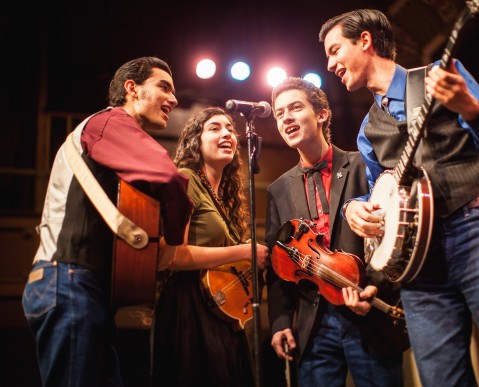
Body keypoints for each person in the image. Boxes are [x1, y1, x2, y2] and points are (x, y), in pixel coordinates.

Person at [318, 9, 479, 387]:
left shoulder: (441, 77)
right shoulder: (367, 131)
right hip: (419, 268)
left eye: (335, 50)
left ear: (365, 41)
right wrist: (358, 210)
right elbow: (381, 198)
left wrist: (468, 105)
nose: (331, 63)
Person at [21, 56, 193, 386]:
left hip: (78, 287)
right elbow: (170, 179)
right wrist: (172, 245)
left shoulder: (109, 133)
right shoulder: (111, 122)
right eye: (163, 87)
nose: (173, 99)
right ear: (132, 88)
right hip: (69, 281)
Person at [265, 77, 408, 387]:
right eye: (279, 113)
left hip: (368, 315)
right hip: (313, 325)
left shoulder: (362, 165)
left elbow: (393, 237)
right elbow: (278, 266)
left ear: (321, 114)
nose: (286, 117)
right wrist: (279, 321)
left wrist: (375, 289)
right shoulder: (277, 190)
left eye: (295, 108)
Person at [151, 106, 270, 387]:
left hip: (219, 307)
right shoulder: (186, 179)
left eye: (230, 128)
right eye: (215, 128)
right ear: (196, 141)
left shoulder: (222, 197)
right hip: (188, 306)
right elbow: (173, 256)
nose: (226, 133)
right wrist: (245, 251)